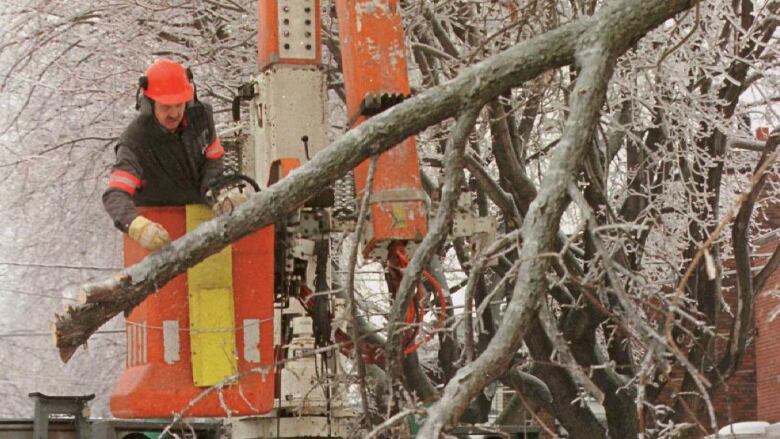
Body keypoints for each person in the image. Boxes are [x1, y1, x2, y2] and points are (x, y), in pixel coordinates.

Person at [103, 59, 246, 251]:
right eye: (166, 107)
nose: (174, 113)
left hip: (202, 223)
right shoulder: (134, 142)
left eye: (179, 104)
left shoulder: (201, 118)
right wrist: (137, 226)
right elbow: (115, 194)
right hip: (158, 233)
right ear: (148, 105)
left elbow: (213, 159)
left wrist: (217, 193)